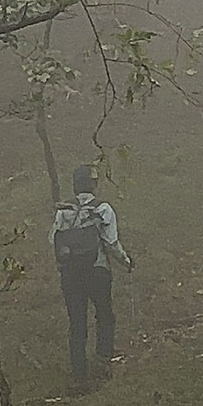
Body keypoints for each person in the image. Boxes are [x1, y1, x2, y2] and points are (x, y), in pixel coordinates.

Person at [51, 164, 133, 385]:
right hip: (97, 271)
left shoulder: (63, 210)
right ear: (93, 184)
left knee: (77, 323)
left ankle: (79, 374)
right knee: (104, 316)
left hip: (70, 275)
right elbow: (111, 242)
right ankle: (102, 362)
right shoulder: (103, 209)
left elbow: (54, 241)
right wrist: (126, 261)